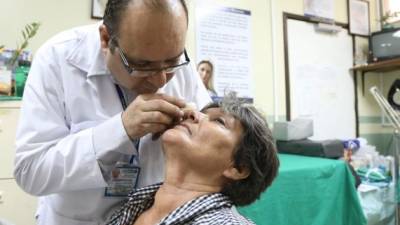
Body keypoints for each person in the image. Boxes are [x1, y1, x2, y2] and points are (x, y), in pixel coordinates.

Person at [14, 0, 211, 224]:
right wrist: (119, 131)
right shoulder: (57, 59)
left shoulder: (181, 63)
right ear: (106, 39)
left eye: (172, 62)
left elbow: (211, 135)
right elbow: (30, 172)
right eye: (142, 65)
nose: (160, 79)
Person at [105, 93, 280, 225]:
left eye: (219, 121)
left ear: (238, 168)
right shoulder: (132, 207)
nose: (192, 114)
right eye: (201, 112)